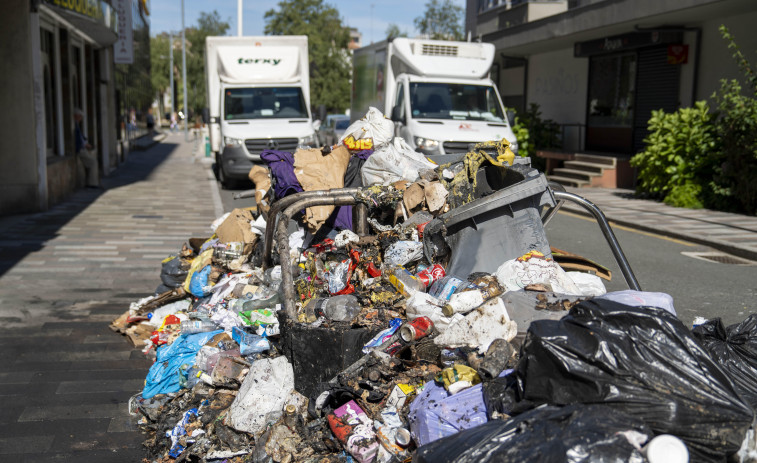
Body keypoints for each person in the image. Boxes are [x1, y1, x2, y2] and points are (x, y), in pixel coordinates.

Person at [74, 108, 102, 189]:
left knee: (92, 161)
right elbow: (78, 139)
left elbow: (81, 138)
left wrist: (86, 144)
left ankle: (92, 182)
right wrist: (85, 145)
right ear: (76, 116)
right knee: (93, 162)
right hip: (80, 149)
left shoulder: (77, 125)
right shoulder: (75, 126)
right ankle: (92, 183)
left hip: (82, 148)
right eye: (80, 117)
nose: (81, 119)